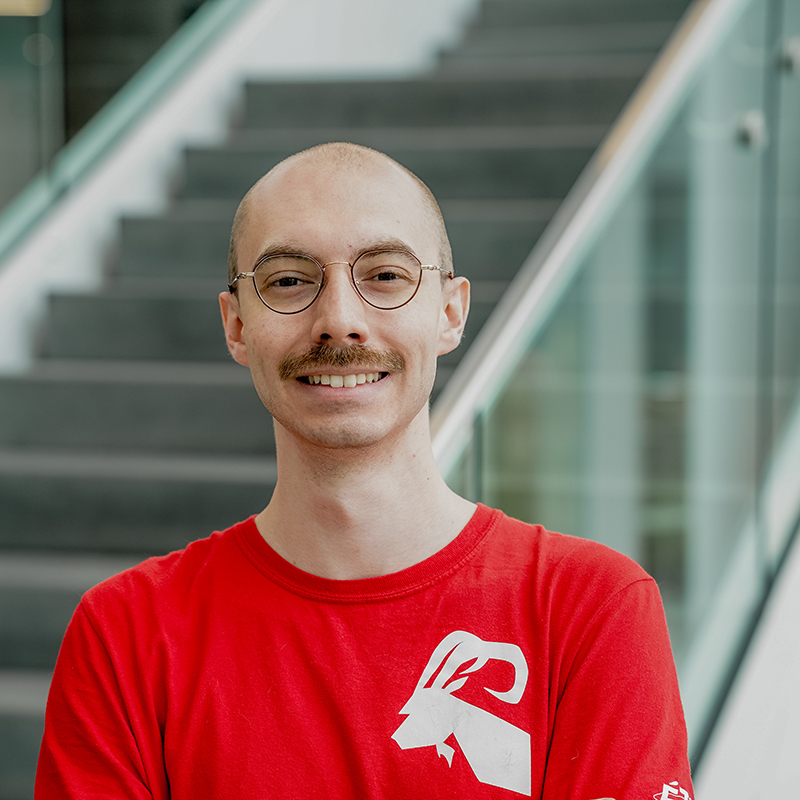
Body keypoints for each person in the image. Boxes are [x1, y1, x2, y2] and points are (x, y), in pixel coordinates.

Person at [36, 143, 693, 800]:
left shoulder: (590, 611)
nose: (341, 322)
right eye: (289, 281)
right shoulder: (126, 637)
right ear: (237, 325)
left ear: (449, 312)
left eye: (385, 276)